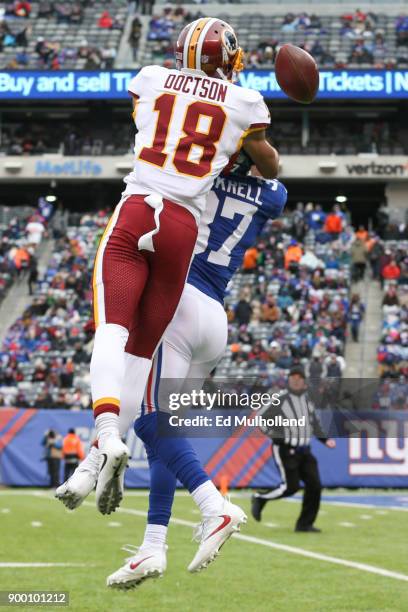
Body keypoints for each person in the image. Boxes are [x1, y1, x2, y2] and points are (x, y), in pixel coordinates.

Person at [56, 169, 287, 585]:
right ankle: (152, 545)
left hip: (179, 301)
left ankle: (213, 505)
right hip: (215, 314)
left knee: (148, 419)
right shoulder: (274, 195)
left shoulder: (207, 172)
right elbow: (267, 174)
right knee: (164, 427)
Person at [89, 17, 280, 520]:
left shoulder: (152, 78)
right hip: (208, 296)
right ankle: (161, 535)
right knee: (164, 416)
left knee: (122, 355)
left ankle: (104, 453)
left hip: (154, 228)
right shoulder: (264, 172)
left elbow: (168, 128)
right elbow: (268, 165)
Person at [251, 366, 336, 532]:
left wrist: (325, 440)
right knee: (291, 487)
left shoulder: (307, 400)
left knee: (315, 486)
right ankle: (260, 498)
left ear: (304, 381)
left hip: (305, 450)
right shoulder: (280, 397)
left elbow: (314, 423)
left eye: (299, 378)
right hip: (285, 450)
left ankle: (305, 524)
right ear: (289, 380)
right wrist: (276, 436)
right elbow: (260, 418)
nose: (296, 381)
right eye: (293, 378)